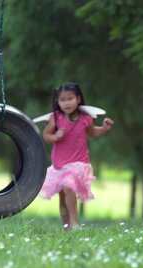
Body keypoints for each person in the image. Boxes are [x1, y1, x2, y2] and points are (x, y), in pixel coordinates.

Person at [40, 82, 114, 230]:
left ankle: (75, 223)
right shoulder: (56, 118)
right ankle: (66, 226)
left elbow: (92, 133)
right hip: (59, 165)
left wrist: (104, 128)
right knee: (62, 198)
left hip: (78, 163)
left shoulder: (85, 118)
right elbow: (46, 135)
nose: (66, 103)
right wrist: (55, 136)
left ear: (78, 99)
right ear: (58, 102)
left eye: (70, 98)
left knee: (69, 186)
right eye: (62, 100)